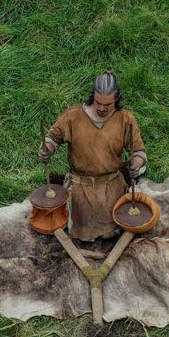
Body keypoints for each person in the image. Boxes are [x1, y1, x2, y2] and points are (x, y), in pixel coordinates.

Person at [39, 71, 148, 242]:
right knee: (79, 229)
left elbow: (139, 152)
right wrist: (47, 149)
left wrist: (136, 164)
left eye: (108, 104)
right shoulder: (73, 116)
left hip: (111, 187)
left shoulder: (125, 119)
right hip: (80, 188)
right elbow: (52, 138)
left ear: (117, 98)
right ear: (93, 96)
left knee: (110, 233)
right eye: (98, 102)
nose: (102, 108)